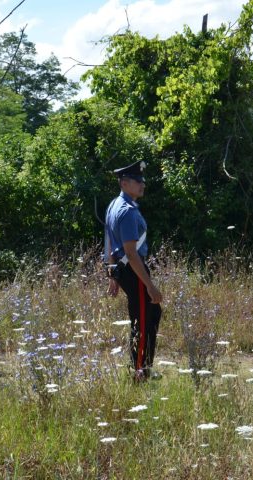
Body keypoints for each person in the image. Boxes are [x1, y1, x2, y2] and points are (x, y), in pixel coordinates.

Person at [104, 160, 163, 382]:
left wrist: (112, 275)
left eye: (143, 180)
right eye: (138, 181)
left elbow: (110, 243)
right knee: (143, 319)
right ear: (125, 183)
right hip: (133, 268)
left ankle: (143, 366)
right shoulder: (127, 211)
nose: (143, 184)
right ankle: (140, 372)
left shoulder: (114, 205)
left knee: (151, 314)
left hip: (124, 269)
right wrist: (150, 285)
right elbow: (130, 252)